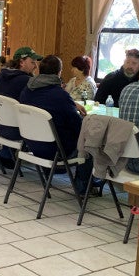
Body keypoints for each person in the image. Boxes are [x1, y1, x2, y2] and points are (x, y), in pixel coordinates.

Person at [18, 55, 95, 193]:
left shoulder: (27, 90)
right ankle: (83, 188)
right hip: (56, 150)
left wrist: (72, 104)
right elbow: (78, 127)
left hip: (31, 144)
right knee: (90, 141)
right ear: (59, 72)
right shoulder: (60, 95)